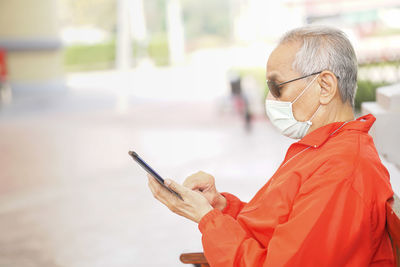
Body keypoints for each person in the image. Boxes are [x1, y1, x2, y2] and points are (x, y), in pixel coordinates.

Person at [147, 26, 395, 266]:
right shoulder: (323, 149)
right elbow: (275, 230)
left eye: (277, 87)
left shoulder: (342, 171)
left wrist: (207, 219)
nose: (270, 100)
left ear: (325, 87)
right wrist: (220, 206)